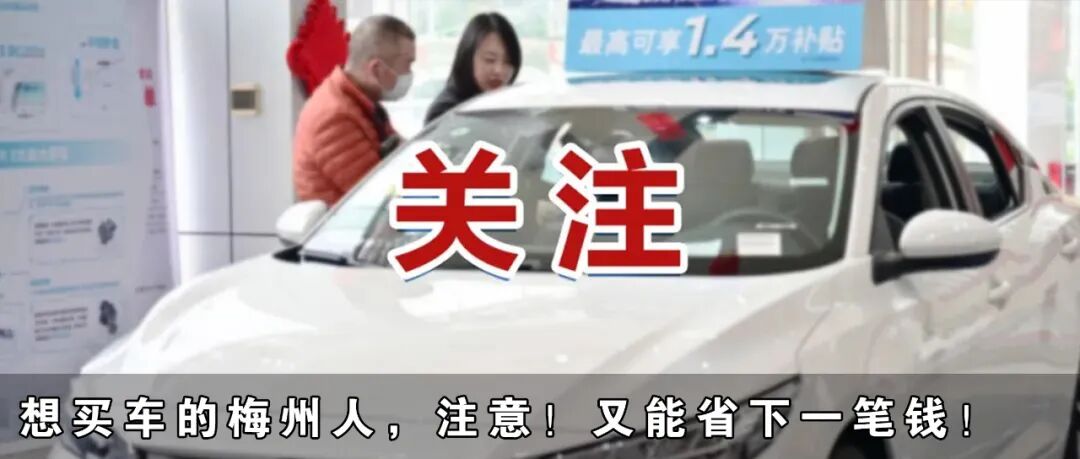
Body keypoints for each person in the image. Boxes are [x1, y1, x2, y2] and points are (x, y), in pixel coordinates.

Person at [293, 15, 416, 206]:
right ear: (377, 69)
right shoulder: (334, 117)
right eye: (407, 64)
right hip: (349, 223)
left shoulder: (361, 102)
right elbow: (376, 196)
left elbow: (399, 153)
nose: (409, 74)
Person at [424, 12, 521, 124]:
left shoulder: (510, 107)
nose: (498, 70)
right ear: (467, 57)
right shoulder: (445, 113)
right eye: (490, 59)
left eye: (508, 62)